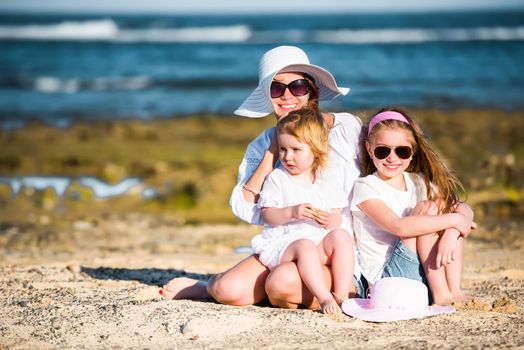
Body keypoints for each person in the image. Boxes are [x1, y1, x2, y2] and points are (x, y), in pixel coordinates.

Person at [160, 45, 362, 309]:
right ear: (267, 96)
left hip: (334, 247)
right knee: (226, 289)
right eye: (276, 88)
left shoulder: (345, 127)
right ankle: (206, 286)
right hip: (286, 244)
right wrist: (273, 150)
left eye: (297, 86)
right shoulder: (265, 144)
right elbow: (245, 209)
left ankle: (328, 294)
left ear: (311, 90)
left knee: (282, 283)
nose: (287, 95)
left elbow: (381, 173)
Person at [350, 108, 475, 305]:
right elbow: (399, 227)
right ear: (369, 149)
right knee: (430, 212)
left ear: (412, 152)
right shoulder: (365, 187)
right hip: (389, 281)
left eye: (402, 151)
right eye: (383, 151)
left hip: (423, 275)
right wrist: (455, 220)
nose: (392, 158)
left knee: (439, 208)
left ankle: (453, 290)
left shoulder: (418, 181)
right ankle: (442, 295)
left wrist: (452, 230)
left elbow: (462, 208)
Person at [252, 107, 355, 314]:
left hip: (318, 241)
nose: (287, 157)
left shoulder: (327, 178)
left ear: (316, 149)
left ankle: (342, 296)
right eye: (283, 149)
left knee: (341, 236)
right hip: (286, 243)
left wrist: (330, 219)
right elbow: (268, 214)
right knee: (305, 245)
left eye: (296, 150)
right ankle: (324, 297)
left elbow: (336, 215)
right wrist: (292, 212)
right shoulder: (278, 178)